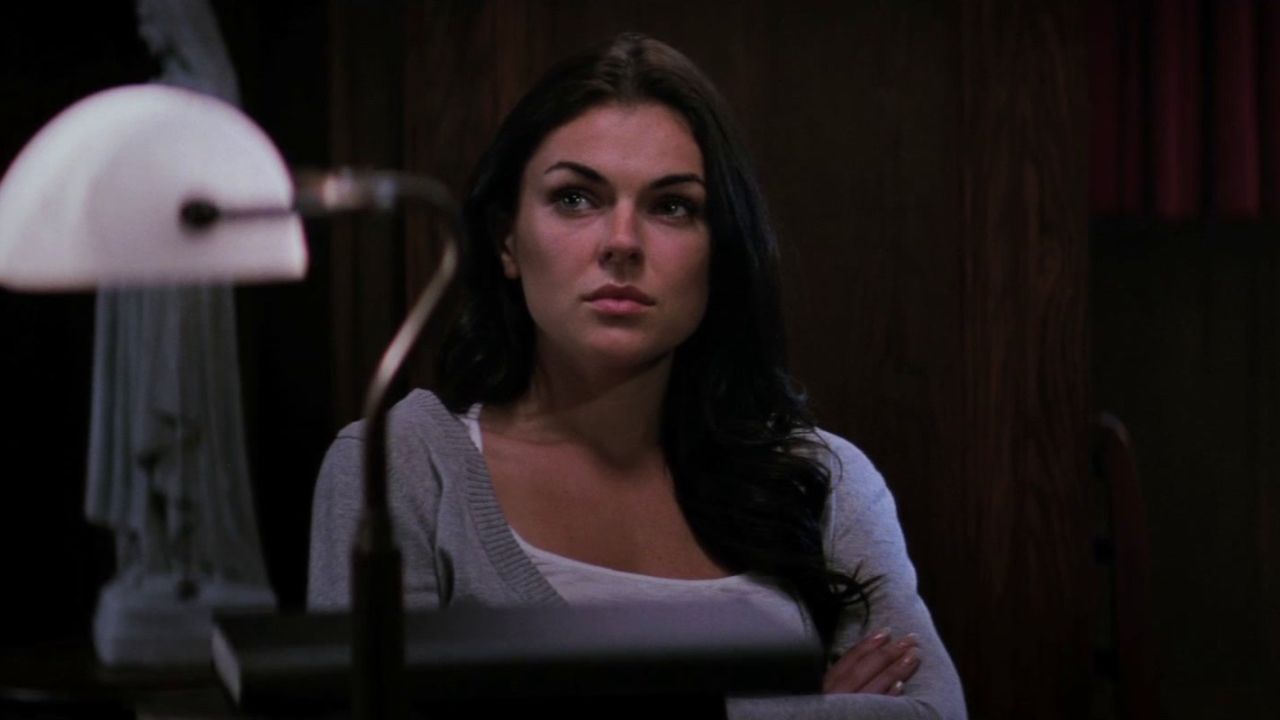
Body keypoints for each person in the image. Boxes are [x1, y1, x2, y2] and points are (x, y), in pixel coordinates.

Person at [309, 32, 966, 719]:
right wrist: (798, 708)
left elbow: (932, 713)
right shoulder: (401, 465)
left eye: (671, 206)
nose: (621, 242)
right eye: (575, 198)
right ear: (507, 240)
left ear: (720, 248)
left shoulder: (824, 479)